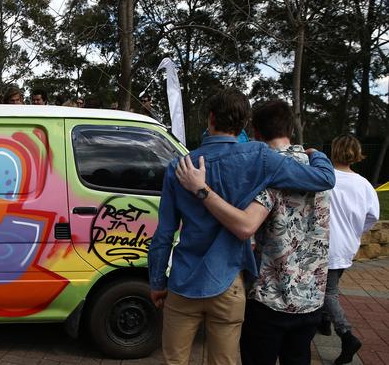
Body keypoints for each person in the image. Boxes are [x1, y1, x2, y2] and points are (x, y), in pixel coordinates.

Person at [148, 88, 335, 365]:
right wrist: (316, 154)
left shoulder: (180, 166)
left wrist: (156, 282)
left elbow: (163, 234)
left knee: (174, 360)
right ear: (245, 124)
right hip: (229, 284)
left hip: (183, 282)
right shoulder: (260, 158)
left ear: (210, 118)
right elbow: (322, 179)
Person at [322, 134, 379, 365]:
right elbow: (372, 217)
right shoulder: (364, 185)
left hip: (326, 244)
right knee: (331, 287)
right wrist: (356, 231)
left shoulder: (325, 178)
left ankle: (346, 335)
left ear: (333, 151)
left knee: (328, 292)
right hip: (347, 246)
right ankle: (323, 322)